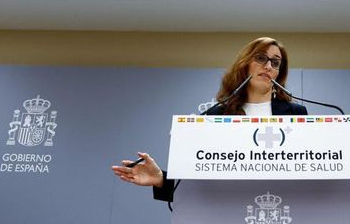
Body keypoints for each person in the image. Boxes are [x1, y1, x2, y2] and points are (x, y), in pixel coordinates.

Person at [111, 37, 308, 202]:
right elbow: (198, 184)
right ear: (245, 64)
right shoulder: (215, 116)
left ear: (279, 73)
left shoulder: (296, 114)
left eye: (275, 62)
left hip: (286, 210)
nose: (268, 66)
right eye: (260, 58)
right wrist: (161, 179)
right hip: (226, 214)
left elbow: (309, 174)